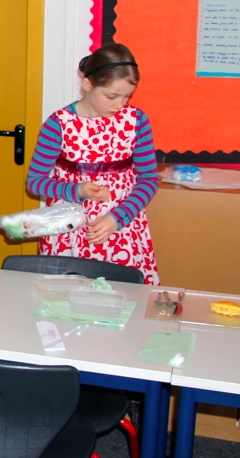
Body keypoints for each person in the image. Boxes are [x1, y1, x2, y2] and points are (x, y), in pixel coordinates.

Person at [26, 43, 160, 284]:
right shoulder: (58, 125)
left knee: (123, 296)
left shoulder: (137, 121)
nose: (120, 105)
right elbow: (35, 182)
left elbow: (149, 180)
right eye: (111, 96)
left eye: (127, 96)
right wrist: (76, 190)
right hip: (68, 234)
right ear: (88, 85)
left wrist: (118, 218)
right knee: (65, 296)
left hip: (122, 229)